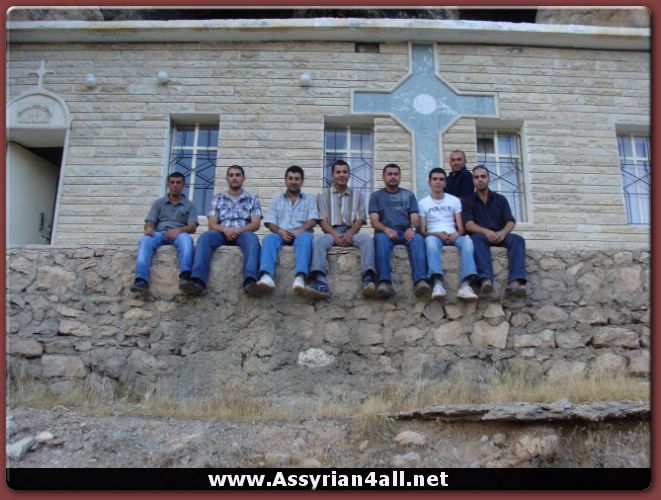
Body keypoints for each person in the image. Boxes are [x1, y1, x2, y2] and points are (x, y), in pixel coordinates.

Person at [181, 165, 262, 296]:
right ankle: (197, 280)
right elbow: (212, 224)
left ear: (243, 178)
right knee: (205, 237)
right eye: (231, 175)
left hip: (243, 233)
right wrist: (225, 230)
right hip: (221, 232)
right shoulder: (218, 198)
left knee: (253, 239)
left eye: (237, 175)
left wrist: (237, 230)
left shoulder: (252, 198)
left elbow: (256, 224)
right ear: (227, 179)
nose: (234, 178)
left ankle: (250, 280)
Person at [305, 160, 376, 299]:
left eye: (345, 172)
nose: (342, 175)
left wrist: (350, 233)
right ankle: (320, 282)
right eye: (338, 172)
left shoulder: (358, 195)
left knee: (367, 239)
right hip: (331, 232)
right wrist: (335, 234)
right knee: (318, 241)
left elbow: (360, 219)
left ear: (349, 174)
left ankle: (368, 279)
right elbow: (322, 220)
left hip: (352, 232)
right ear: (332, 175)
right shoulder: (323, 195)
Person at [462, 165, 528, 297]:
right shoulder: (468, 201)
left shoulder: (500, 199)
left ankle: (515, 282)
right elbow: (468, 225)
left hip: (500, 234)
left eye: (483, 176)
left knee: (518, 240)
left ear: (489, 179)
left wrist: (502, 233)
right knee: (475, 239)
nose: (480, 180)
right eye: (476, 177)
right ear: (473, 181)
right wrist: (486, 232)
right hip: (482, 236)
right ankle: (486, 280)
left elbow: (510, 221)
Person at [130, 172, 198, 294]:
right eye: (172, 182)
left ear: (184, 185)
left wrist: (178, 231)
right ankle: (141, 280)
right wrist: (149, 228)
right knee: (145, 240)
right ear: (168, 184)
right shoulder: (158, 203)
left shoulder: (190, 205)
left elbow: (192, 227)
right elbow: (150, 221)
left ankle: (185, 277)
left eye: (178, 182)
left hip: (179, 234)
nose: (175, 185)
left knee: (187, 239)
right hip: (159, 233)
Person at [368, 163, 429, 299]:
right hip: (385, 232)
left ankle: (420, 281)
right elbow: (374, 221)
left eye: (396, 174)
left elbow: (415, 218)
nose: (393, 177)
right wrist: (386, 229)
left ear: (400, 176)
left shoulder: (409, 195)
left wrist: (411, 228)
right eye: (389, 174)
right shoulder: (376, 196)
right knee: (380, 239)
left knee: (418, 239)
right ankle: (384, 282)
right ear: (383, 177)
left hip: (405, 231)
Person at [419, 167, 479, 301]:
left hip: (453, 235)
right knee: (430, 241)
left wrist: (457, 234)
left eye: (441, 179)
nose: (438, 182)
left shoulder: (454, 200)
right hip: (435, 236)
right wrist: (436, 234)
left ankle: (465, 286)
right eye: (435, 179)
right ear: (429, 183)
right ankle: (438, 284)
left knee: (468, 241)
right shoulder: (422, 203)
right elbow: (423, 231)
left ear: (445, 182)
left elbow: (461, 228)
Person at [256, 165, 318, 294]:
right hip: (281, 233)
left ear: (302, 181)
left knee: (306, 238)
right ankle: (267, 276)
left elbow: (313, 220)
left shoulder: (310, 199)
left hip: (301, 234)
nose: (293, 181)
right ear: (285, 180)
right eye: (290, 178)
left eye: (297, 179)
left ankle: (300, 277)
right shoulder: (276, 200)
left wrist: (299, 230)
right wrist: (281, 231)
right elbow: (270, 222)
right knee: (268, 239)